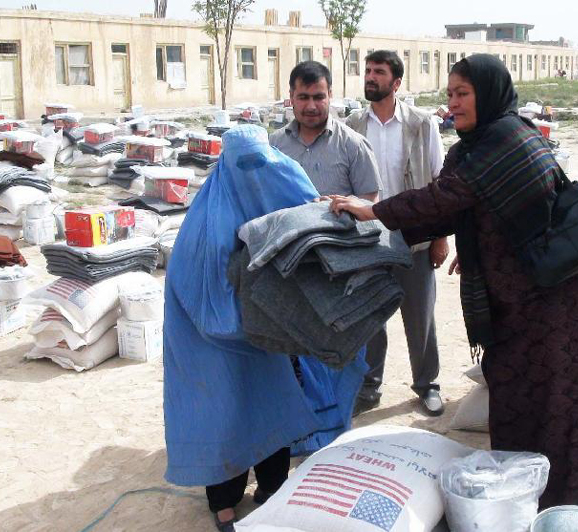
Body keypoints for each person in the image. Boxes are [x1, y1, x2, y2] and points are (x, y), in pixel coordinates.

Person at [327, 54, 578, 509]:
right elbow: (464, 209)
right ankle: (522, 502)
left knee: (560, 410)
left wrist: (372, 211)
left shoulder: (505, 140)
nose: (452, 104)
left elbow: (442, 200)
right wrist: (474, 247)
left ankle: (570, 508)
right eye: (450, 94)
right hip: (518, 302)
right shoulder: (477, 146)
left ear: (489, 93)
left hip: (554, 304)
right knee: (518, 405)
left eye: (462, 94)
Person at [163, 125, 367, 532]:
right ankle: (224, 503)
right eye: (245, 165)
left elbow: (309, 218)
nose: (254, 174)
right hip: (213, 344)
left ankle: (272, 489)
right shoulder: (206, 220)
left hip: (271, 336)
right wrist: (254, 319)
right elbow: (201, 298)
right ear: (227, 164)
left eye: (261, 162)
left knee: (277, 403)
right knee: (224, 412)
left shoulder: (280, 181)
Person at [345, 50, 448, 417]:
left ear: (397, 82)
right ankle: (369, 387)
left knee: (420, 316)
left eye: (379, 72)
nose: (370, 77)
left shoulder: (422, 125)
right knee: (370, 318)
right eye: (368, 70)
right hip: (369, 239)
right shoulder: (352, 125)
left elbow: (439, 183)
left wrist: (440, 237)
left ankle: (427, 384)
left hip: (414, 238)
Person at [270, 61, 381, 202]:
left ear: (330, 95)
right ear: (291, 97)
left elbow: (370, 203)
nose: (311, 106)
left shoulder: (355, 146)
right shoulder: (274, 145)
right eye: (303, 97)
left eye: (318, 97)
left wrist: (341, 208)